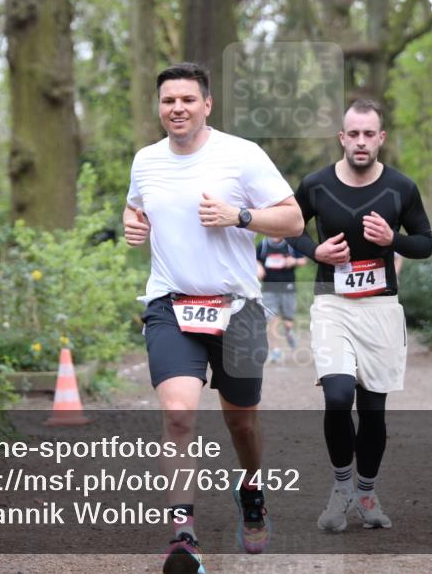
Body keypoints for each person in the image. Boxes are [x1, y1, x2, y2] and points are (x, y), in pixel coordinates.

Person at [123, 62, 303, 573]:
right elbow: (135, 208)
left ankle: (251, 488)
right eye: (167, 101)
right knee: (178, 415)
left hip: (237, 307)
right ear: (159, 107)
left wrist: (239, 216)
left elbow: (291, 219)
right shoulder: (146, 160)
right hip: (169, 304)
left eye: (186, 99)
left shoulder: (242, 155)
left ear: (207, 104)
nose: (176, 108)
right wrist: (132, 224)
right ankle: (184, 535)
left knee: (240, 420)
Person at [288, 99, 432, 532]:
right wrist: (314, 250)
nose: (361, 142)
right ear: (342, 137)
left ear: (381, 138)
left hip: (381, 309)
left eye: (369, 134)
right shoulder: (315, 185)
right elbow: (288, 226)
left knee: (373, 414)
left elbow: (425, 242)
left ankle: (366, 494)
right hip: (332, 305)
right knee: (337, 398)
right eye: (353, 134)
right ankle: (341, 488)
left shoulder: (401, 188)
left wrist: (393, 240)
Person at [255, 236, 306, 362]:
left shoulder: (290, 245)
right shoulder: (263, 245)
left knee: (288, 322)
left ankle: (288, 332)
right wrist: (259, 267)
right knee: (271, 319)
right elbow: (255, 260)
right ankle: (276, 351)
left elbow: (304, 260)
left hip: (288, 288)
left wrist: (293, 261)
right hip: (269, 289)